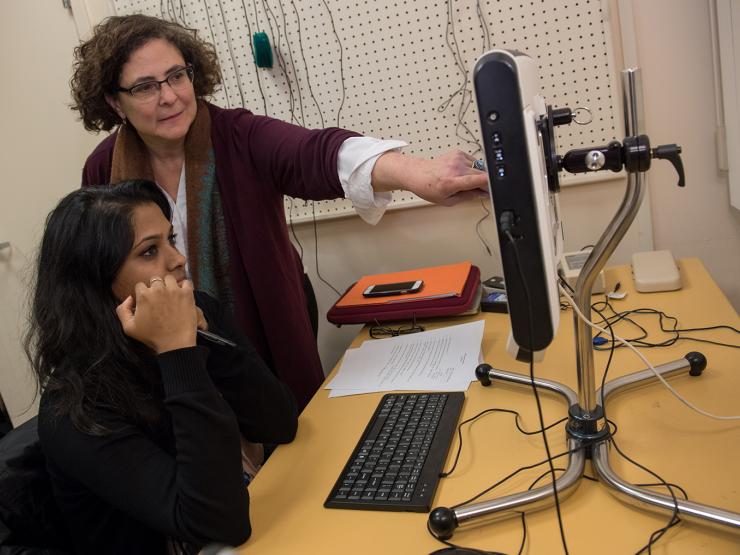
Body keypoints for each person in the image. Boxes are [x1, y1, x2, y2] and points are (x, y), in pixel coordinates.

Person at [71, 14, 489, 410]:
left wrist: (418, 174)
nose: (169, 97)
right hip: (161, 357)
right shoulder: (102, 169)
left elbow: (318, 153)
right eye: (145, 86)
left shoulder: (239, 136)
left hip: (260, 335)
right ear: (114, 101)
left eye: (177, 76)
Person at [27, 180, 298, 554]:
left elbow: (279, 423)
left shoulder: (196, 311)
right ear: (96, 283)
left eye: (171, 239)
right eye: (150, 251)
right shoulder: (75, 409)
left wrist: (202, 340)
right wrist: (177, 353)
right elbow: (217, 523)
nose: (177, 259)